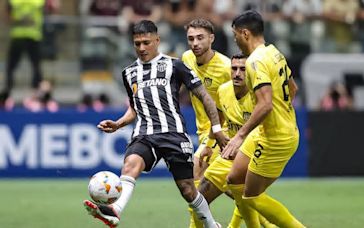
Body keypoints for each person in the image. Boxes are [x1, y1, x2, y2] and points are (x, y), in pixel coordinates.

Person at [83, 20, 226, 228]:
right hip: (144, 133)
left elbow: (205, 97)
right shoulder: (128, 72)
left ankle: (212, 225)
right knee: (131, 164)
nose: (141, 48)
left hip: (173, 133)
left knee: (188, 190)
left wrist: (216, 129)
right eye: (137, 43)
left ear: (157, 41)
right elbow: (134, 108)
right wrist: (118, 124)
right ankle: (115, 211)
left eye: (146, 42)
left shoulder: (175, 65)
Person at [223, 10, 305, 227]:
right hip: (271, 130)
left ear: (245, 33)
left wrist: (240, 135)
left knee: (252, 196)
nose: (235, 40)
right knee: (233, 180)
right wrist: (283, 114)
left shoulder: (255, 62)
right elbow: (293, 88)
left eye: (235, 36)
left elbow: (266, 104)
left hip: (276, 138)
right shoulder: (274, 53)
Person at [193, 53, 276, 228]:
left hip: (253, 156)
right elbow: (220, 117)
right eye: (234, 68)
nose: (237, 73)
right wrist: (209, 145)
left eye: (243, 69)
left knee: (245, 196)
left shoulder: (259, 97)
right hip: (230, 154)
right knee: (198, 199)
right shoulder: (223, 90)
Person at [181, 18, 231, 227]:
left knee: (194, 193)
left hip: (224, 134)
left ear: (211, 38)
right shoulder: (187, 59)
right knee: (235, 190)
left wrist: (209, 143)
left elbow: (228, 110)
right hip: (204, 133)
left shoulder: (227, 68)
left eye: (200, 38)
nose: (195, 43)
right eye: (191, 39)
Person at [4, 0, 45, 93]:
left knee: (36, 67)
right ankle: (8, 91)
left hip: (30, 36)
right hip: (23, 35)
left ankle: (36, 92)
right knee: (12, 66)